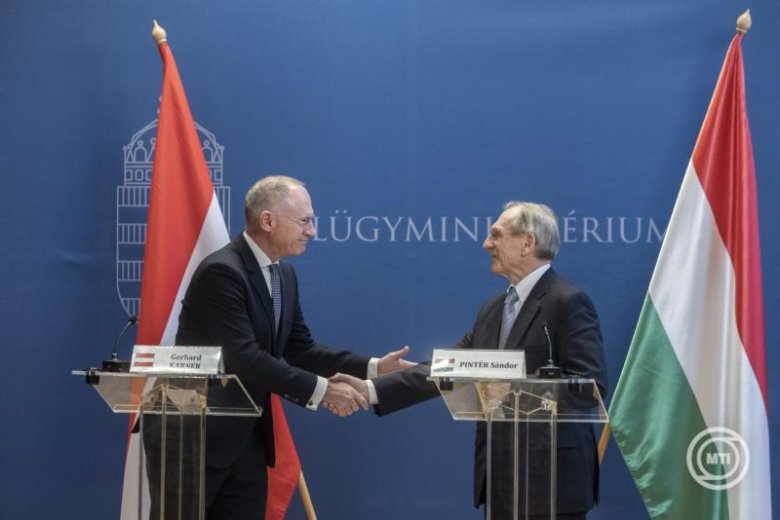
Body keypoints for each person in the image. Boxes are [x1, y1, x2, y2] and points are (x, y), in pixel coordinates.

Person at [333, 201, 608, 519]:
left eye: (497, 235)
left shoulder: (568, 302)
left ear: (527, 243)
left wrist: (519, 390)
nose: (486, 244)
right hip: (500, 479)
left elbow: (591, 386)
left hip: (552, 482)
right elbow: (450, 368)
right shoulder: (493, 309)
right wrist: (370, 389)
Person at [166, 175, 414, 519]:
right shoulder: (222, 272)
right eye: (304, 221)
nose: (312, 231)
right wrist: (324, 391)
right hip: (197, 438)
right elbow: (245, 358)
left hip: (247, 439)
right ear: (267, 220)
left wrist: (374, 367)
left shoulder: (283, 276)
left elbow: (301, 350)